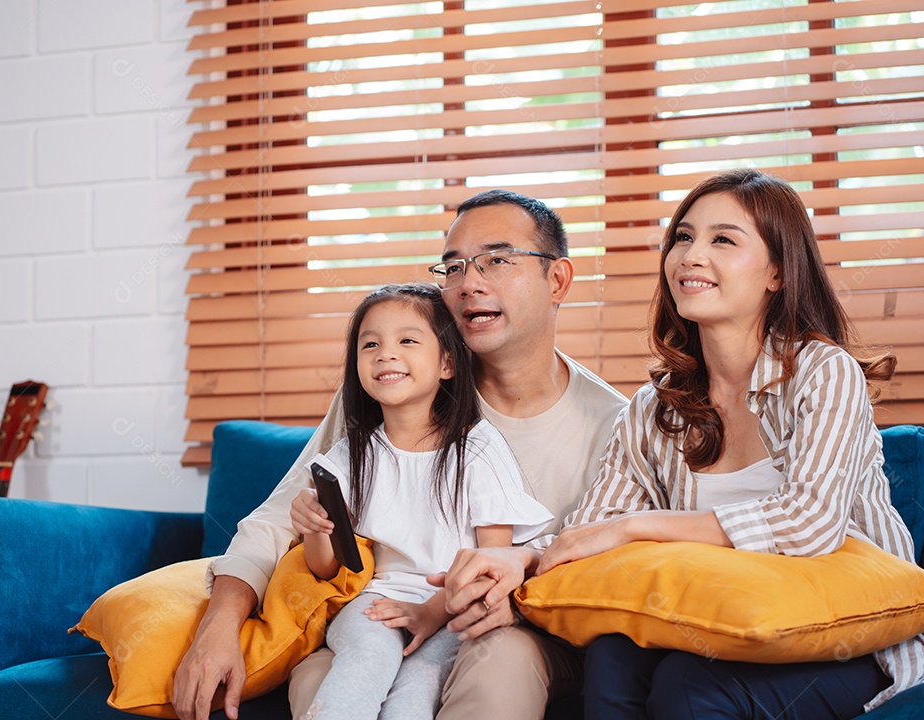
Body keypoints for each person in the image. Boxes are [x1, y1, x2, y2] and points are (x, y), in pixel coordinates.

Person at [443, 169, 924, 719]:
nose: (690, 255)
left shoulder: (824, 374)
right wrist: (524, 559)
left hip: (841, 633)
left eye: (722, 239)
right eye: (683, 237)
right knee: (611, 654)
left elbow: (810, 522)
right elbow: (594, 527)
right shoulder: (654, 408)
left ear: (777, 271)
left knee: (688, 688)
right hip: (716, 627)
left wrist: (635, 528)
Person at [172, 189, 628, 720]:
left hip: (513, 631)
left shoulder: (615, 423)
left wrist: (493, 600)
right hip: (378, 618)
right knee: (324, 671)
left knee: (499, 653)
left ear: (557, 280)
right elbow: (278, 522)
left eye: (497, 260)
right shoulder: (393, 390)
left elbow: (605, 564)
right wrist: (218, 628)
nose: (469, 283)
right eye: (453, 267)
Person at [292, 283, 552, 719]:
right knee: (368, 660)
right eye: (370, 344)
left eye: (407, 341)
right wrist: (315, 526)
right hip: (374, 606)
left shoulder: (478, 450)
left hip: (452, 608)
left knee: (417, 690)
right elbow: (327, 569)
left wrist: (433, 612)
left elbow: (492, 560)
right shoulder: (347, 456)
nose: (385, 354)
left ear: (447, 363)